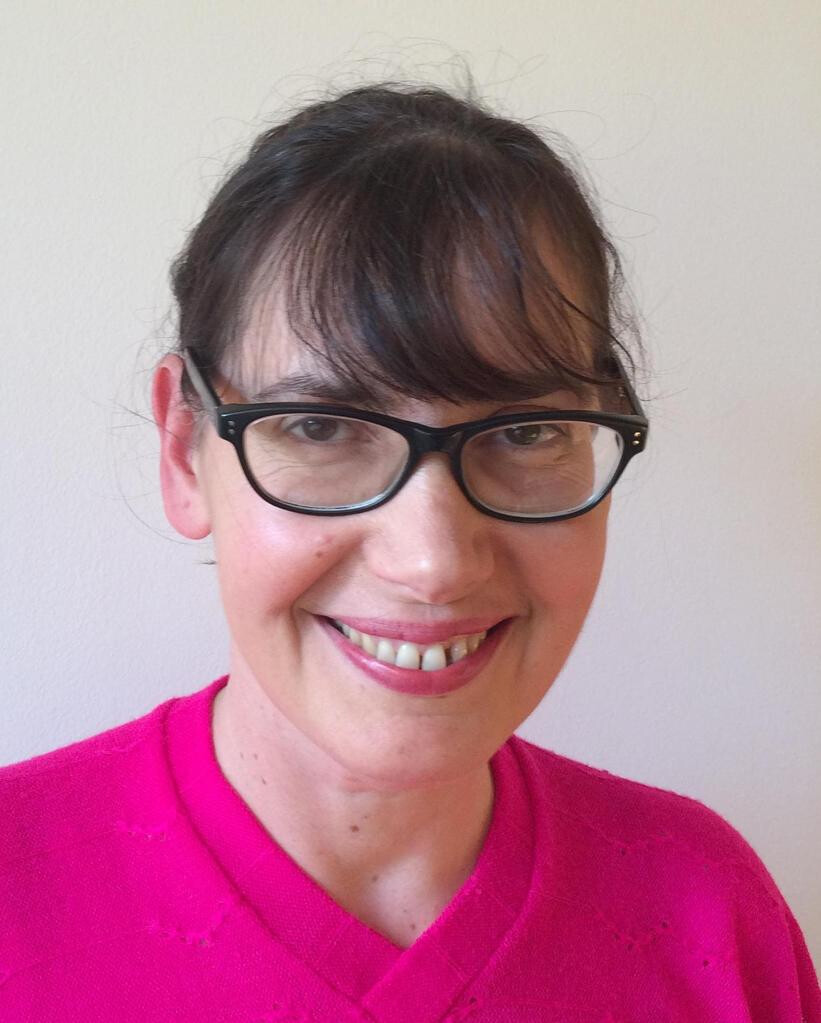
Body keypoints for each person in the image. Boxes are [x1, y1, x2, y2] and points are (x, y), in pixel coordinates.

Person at [1, 80, 818, 1023]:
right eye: (319, 426)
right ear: (186, 452)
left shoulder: (708, 909)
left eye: (525, 431)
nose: (433, 563)